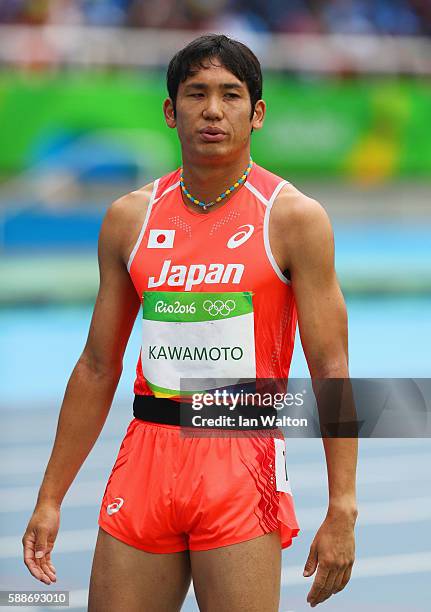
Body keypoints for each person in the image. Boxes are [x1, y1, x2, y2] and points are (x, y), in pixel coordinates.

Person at [22, 34, 358, 611]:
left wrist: (343, 505)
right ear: (169, 111)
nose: (211, 110)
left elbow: (330, 367)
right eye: (196, 93)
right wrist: (50, 496)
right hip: (145, 458)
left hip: (238, 456)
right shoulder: (130, 219)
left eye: (230, 95)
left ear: (256, 114)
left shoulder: (295, 219)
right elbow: (98, 365)